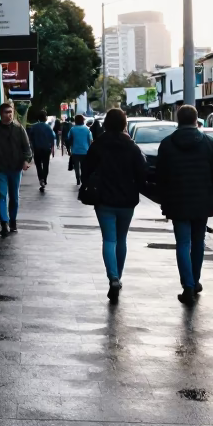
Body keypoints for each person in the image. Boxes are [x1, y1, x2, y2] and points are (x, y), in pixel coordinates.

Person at [155, 104, 213, 305]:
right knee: (198, 243)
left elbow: (160, 177)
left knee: (182, 243)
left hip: (177, 202)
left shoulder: (167, 144)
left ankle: (187, 285)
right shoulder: (208, 143)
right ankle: (195, 281)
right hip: (202, 201)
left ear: (178, 120)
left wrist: (164, 203)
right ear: (197, 120)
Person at [80, 109, 146, 302]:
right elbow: (142, 173)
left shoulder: (98, 145)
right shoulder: (132, 147)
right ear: (124, 123)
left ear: (106, 123)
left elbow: (86, 171)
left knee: (109, 240)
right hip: (127, 201)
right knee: (122, 239)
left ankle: (113, 277)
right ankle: (119, 276)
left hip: (103, 200)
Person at [0, 102, 33, 237]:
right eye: (6, 112)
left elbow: (27, 148)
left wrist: (26, 161)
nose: (9, 115)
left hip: (15, 168)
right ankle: (4, 222)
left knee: (14, 197)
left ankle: (13, 220)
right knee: (1, 195)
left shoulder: (19, 129)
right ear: (0, 114)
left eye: (10, 112)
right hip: (0, 169)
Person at [26, 110, 56, 191]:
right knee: (46, 165)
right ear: (45, 118)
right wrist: (52, 148)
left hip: (37, 149)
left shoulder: (34, 127)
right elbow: (52, 138)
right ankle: (44, 179)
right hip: (46, 149)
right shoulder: (48, 127)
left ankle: (41, 179)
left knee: (38, 165)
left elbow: (30, 138)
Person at [68, 114, 92, 185]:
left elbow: (69, 139)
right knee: (83, 167)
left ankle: (77, 178)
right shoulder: (87, 129)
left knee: (76, 166)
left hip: (75, 151)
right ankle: (83, 179)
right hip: (85, 151)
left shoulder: (72, 129)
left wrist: (69, 150)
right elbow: (90, 140)